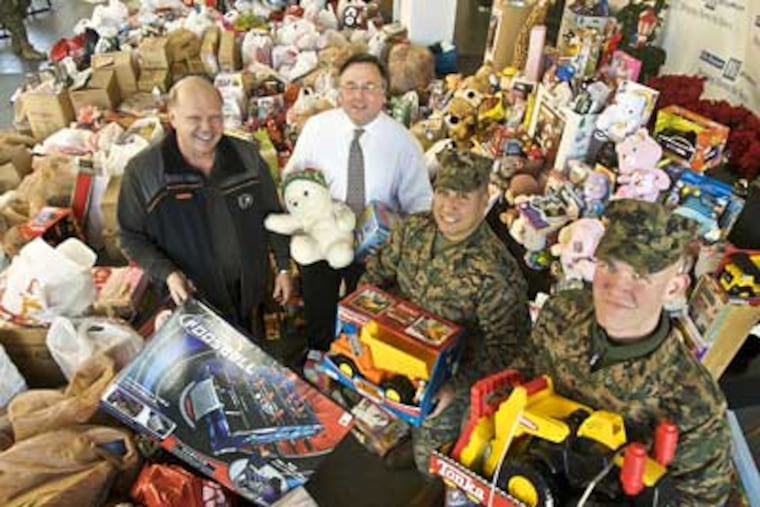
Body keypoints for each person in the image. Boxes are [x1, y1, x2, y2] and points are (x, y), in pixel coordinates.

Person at [529, 199, 733, 505]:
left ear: (674, 287)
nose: (616, 286)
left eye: (639, 275)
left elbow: (702, 501)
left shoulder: (693, 401)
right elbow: (524, 378)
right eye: (608, 265)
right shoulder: (561, 312)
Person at [360, 148, 532, 474]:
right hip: (396, 351)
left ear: (485, 201)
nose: (449, 207)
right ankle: (404, 436)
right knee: (386, 412)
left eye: (463, 197)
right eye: (444, 192)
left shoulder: (496, 270)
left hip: (450, 378)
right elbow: (376, 273)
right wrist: (361, 318)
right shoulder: (412, 230)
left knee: (432, 458)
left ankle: (425, 464)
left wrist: (456, 387)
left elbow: (508, 346)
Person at [118, 76, 292, 341]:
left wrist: (282, 267)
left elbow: (273, 215)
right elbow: (130, 236)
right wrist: (168, 273)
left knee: (252, 352)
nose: (207, 128)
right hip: (193, 300)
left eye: (215, 117)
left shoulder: (246, 157)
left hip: (250, 292)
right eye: (194, 118)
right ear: (172, 117)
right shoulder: (143, 173)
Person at [285, 52, 432, 351]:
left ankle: (356, 370)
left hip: (373, 253)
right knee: (318, 305)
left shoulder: (403, 143)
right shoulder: (316, 129)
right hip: (321, 242)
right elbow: (291, 178)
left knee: (366, 320)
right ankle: (318, 356)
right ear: (339, 91)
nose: (358, 96)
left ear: (384, 93)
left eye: (369, 86)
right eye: (350, 86)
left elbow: (420, 205)